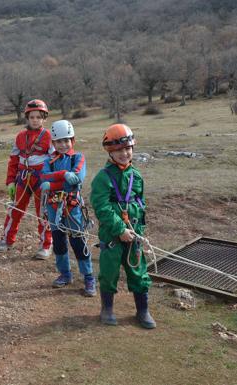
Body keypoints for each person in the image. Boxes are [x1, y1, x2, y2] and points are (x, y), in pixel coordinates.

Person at [90, 124, 155, 329]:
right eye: (119, 150)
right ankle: (107, 308)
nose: (124, 153)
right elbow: (102, 208)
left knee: (138, 272)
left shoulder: (136, 176)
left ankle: (142, 310)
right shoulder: (103, 178)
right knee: (109, 272)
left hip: (134, 234)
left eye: (128, 149)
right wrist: (120, 230)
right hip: (112, 236)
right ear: (110, 151)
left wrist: (138, 231)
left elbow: (140, 203)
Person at [40, 120, 96, 295]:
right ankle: (65, 274)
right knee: (59, 243)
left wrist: (53, 184)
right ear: (53, 143)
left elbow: (78, 178)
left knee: (78, 242)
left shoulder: (78, 158)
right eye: (59, 141)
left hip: (73, 208)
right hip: (53, 208)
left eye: (67, 140)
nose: (63, 145)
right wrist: (64, 174)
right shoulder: (49, 160)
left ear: (72, 140)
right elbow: (43, 177)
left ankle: (88, 277)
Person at [0, 99, 53, 259]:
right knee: (15, 210)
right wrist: (10, 181)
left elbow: (54, 159)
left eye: (39, 117)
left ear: (44, 118)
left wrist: (52, 181)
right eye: (32, 117)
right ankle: (7, 240)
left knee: (44, 212)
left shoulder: (49, 136)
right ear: (27, 118)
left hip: (42, 180)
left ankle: (45, 245)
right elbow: (13, 160)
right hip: (22, 178)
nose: (35, 120)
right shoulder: (20, 136)